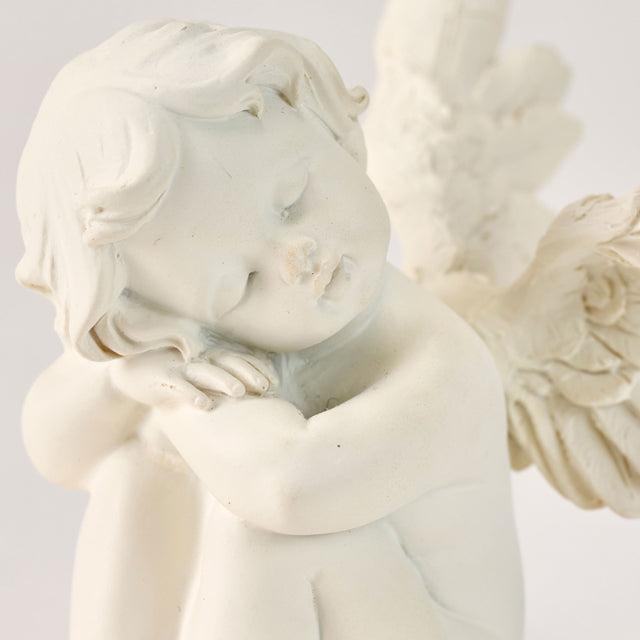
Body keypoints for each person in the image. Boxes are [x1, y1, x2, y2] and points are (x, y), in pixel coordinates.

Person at [18, 20, 523, 640]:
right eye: (242, 283)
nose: (296, 260)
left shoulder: (442, 364)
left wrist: (174, 396)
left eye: (292, 198)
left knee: (266, 535)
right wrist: (124, 375)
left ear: (316, 117)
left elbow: (288, 488)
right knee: (136, 465)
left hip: (437, 624)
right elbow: (55, 449)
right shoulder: (189, 329)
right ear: (162, 313)